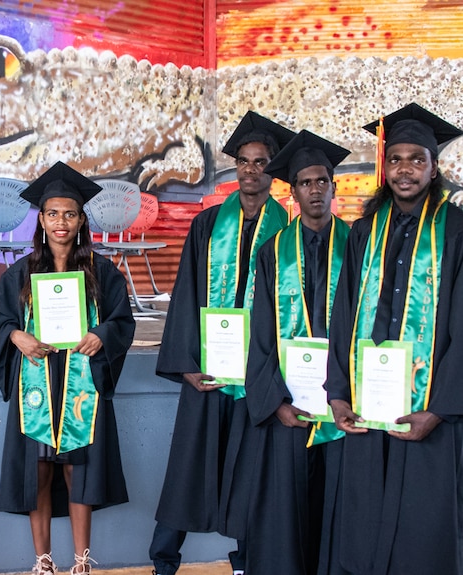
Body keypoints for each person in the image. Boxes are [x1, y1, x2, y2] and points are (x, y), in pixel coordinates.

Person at [150, 112, 296, 575]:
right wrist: (186, 363)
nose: (251, 170)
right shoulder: (208, 224)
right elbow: (188, 293)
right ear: (235, 168)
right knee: (189, 467)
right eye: (244, 162)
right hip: (210, 371)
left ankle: (245, 560)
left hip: (259, 374)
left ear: (274, 171)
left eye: (261, 162)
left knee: (252, 473)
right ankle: (163, 560)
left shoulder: (288, 232)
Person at [326, 103, 463, 574]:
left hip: (429, 414)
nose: (405, 169)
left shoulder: (458, 231)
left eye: (416, 159)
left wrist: (441, 409)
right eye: (397, 159)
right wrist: (338, 394)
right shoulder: (364, 231)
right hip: (369, 409)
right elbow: (343, 317)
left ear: (434, 166)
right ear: (385, 168)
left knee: (422, 536)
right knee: (364, 528)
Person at [0, 162, 135, 575]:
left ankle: (82, 560)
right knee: (36, 470)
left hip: (80, 380)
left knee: (77, 467)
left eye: (69, 214)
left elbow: (123, 321)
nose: (61, 222)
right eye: (53, 214)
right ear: (41, 219)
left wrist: (102, 334)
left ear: (82, 219)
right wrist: (17, 337)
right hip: (37, 378)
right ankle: (43, 560)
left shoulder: (101, 271)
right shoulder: (20, 272)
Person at [242, 131, 350, 574]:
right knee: (289, 508)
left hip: (346, 407)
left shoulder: (361, 245)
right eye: (306, 182)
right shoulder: (273, 252)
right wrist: (276, 402)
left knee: (339, 507)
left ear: (333, 186)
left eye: (323, 181)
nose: (316, 189)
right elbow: (261, 333)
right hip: (292, 407)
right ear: (293, 191)